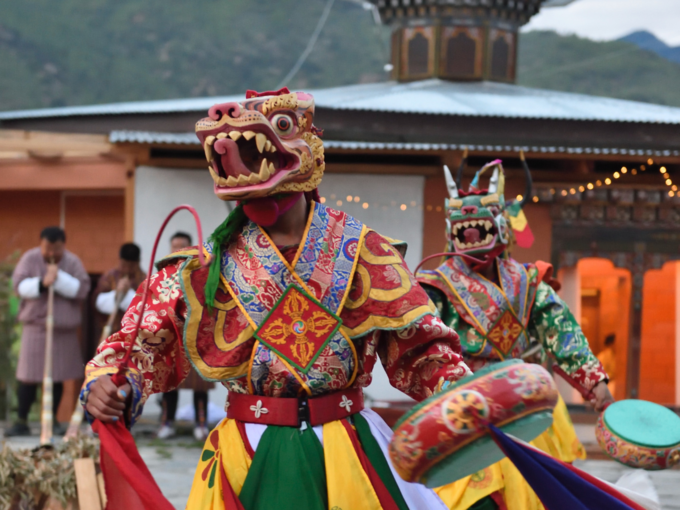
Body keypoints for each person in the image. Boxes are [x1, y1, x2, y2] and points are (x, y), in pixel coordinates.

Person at [81, 88, 472, 509]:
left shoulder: (365, 252)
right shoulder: (206, 266)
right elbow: (142, 341)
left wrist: (464, 393)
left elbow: (420, 346)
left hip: (344, 445)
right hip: (245, 445)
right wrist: (111, 381)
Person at [417, 160, 614, 510]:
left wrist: (593, 380)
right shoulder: (437, 288)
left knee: (539, 493)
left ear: (501, 225)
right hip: (465, 403)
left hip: (522, 401)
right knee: (473, 499)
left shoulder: (527, 282)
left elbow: (560, 329)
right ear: (452, 231)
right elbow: (423, 340)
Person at [6, 226, 90, 437]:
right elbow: (17, 285)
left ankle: (51, 419)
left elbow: (83, 288)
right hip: (35, 326)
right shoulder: (29, 258)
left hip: (63, 328)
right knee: (28, 375)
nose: (52, 254)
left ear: (64, 245)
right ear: (41, 244)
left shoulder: (72, 262)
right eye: (48, 249)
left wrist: (59, 278)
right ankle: (22, 420)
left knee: (57, 374)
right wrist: (43, 283)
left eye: (57, 249)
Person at [158, 231, 214, 442]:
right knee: (169, 381)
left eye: (182, 246)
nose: (177, 250)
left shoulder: (201, 270)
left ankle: (201, 424)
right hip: (173, 334)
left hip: (197, 333)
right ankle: (166, 422)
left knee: (200, 384)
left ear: (190, 248)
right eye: (174, 246)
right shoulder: (164, 272)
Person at [94, 243, 146, 335]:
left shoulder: (145, 280)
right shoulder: (109, 277)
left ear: (138, 263)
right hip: (111, 332)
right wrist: (116, 295)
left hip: (135, 334)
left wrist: (129, 295)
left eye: (131, 266)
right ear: (120, 261)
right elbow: (96, 301)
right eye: (124, 265)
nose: (127, 270)